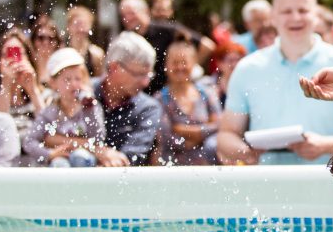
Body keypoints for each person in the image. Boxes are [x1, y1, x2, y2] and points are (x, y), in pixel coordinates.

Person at [217, 0, 333, 166]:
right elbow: (227, 134)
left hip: (331, 184)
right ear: (273, 17)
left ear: (316, 16)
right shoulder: (247, 68)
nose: (295, 17)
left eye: (303, 10)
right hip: (267, 184)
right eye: (286, 11)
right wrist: (244, 151)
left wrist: (325, 145)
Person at [22, 48, 105, 167]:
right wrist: (49, 154)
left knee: (80, 157)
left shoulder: (90, 107)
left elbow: (98, 139)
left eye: (78, 79)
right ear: (53, 83)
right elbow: (29, 142)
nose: (74, 84)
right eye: (67, 80)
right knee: (59, 164)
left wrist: (90, 109)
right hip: (60, 162)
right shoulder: (50, 111)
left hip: (85, 161)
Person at [118, 0, 215, 94]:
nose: (127, 18)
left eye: (131, 13)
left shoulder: (166, 30)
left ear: (145, 11)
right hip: (144, 95)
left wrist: (187, 69)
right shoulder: (127, 39)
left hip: (169, 95)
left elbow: (207, 45)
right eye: (123, 15)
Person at [92, 32, 162, 167]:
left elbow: (129, 160)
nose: (146, 83)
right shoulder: (83, 93)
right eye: (139, 74)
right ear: (114, 68)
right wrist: (97, 150)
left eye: (148, 75)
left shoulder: (148, 108)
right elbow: (48, 138)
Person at [157, 38, 221, 165]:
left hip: (207, 165)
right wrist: (200, 135)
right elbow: (164, 137)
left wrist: (192, 132)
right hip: (172, 165)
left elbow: (220, 125)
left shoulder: (207, 93)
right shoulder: (159, 99)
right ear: (166, 65)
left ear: (194, 64)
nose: (180, 67)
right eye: (175, 63)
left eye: (184, 62)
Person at [0, 28, 45, 154]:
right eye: (6, 54)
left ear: (29, 58)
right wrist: (6, 85)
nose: (12, 60)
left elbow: (48, 129)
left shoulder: (44, 95)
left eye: (19, 53)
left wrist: (33, 91)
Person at [199, 39, 246, 109]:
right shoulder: (206, 85)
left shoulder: (249, 84)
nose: (234, 64)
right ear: (219, 63)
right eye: (230, 60)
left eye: (238, 60)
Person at [65, 5, 106, 77]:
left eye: (84, 25)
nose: (80, 29)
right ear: (69, 27)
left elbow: (99, 82)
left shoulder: (96, 54)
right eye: (77, 24)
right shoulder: (61, 51)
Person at [30, 15, 62, 86]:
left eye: (51, 39)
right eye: (41, 38)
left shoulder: (62, 67)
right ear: (34, 40)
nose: (46, 42)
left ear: (57, 42)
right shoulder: (28, 65)